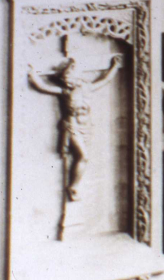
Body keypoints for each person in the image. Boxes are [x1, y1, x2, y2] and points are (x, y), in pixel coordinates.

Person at [28, 55, 122, 201]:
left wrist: (114, 67)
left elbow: (105, 80)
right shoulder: (64, 91)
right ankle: (73, 187)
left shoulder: (87, 87)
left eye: (70, 74)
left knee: (84, 157)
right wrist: (32, 73)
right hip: (73, 125)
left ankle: (74, 186)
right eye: (66, 76)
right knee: (83, 156)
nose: (68, 78)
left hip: (87, 125)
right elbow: (42, 86)